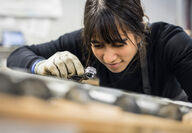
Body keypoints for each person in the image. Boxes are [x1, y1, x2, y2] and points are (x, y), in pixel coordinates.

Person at [7, 0, 192, 102]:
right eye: (98, 46)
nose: (109, 57)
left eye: (119, 44)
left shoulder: (170, 42)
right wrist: (40, 65)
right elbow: (17, 56)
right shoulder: (84, 40)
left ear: (140, 30)